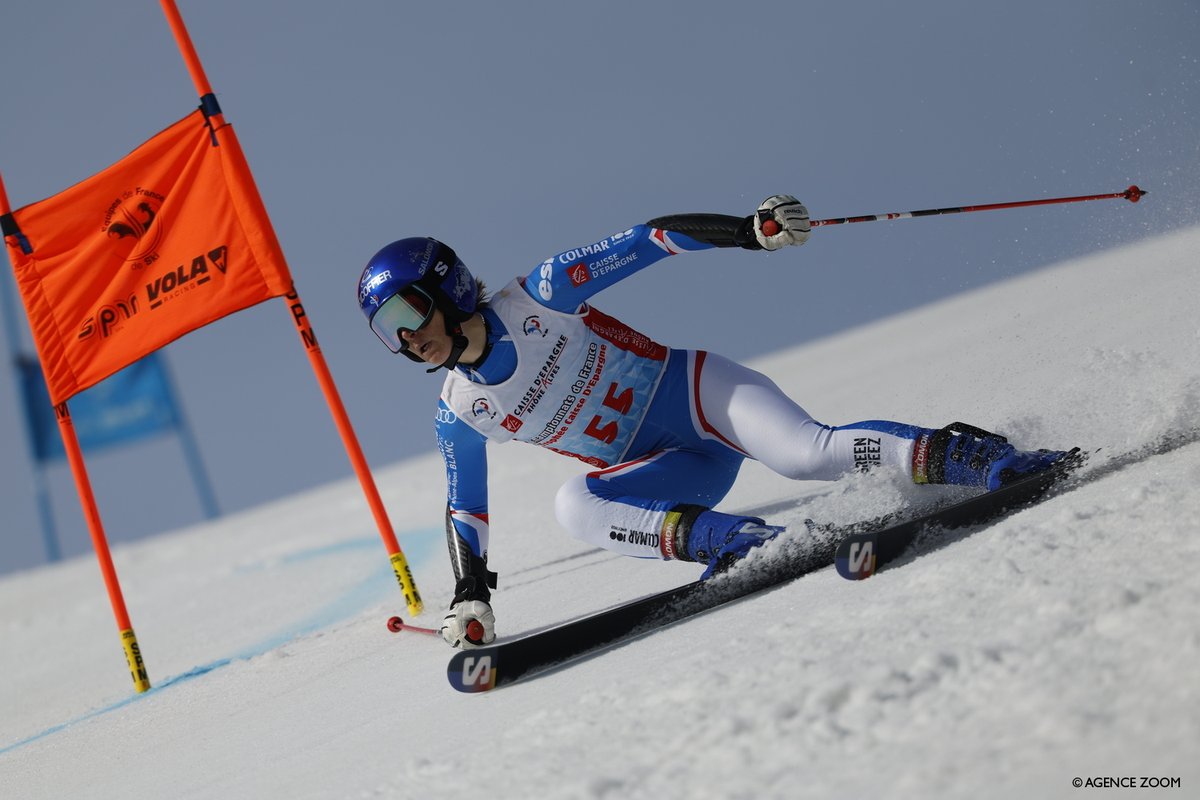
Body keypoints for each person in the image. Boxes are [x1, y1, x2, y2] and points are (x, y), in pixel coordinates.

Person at [356, 195, 1073, 649]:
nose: (407, 338)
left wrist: (746, 232)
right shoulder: (461, 412)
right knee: (575, 505)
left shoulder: (541, 295)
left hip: (702, 398)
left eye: (407, 313)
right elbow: (467, 509)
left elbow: (650, 239)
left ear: (447, 288)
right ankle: (738, 543)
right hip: (672, 470)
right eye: (388, 331)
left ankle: (975, 459)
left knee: (806, 454)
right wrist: (470, 595)